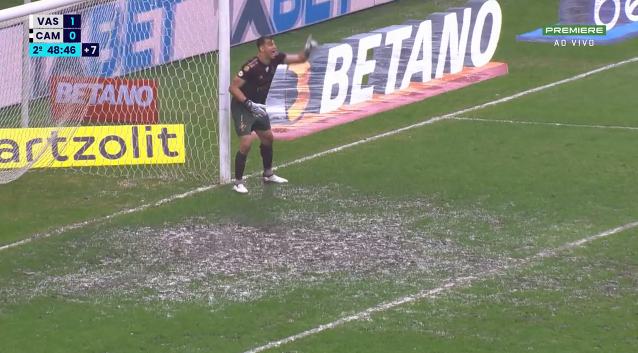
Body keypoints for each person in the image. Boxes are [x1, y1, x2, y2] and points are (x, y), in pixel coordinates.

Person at [228, 35, 318, 194]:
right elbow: (233, 88)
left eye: (274, 43)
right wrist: (248, 104)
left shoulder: (277, 59)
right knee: (246, 143)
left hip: (259, 107)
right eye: (270, 44)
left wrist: (309, 49)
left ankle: (268, 174)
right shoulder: (251, 67)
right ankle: (238, 182)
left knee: (268, 138)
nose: (274, 47)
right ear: (262, 49)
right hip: (242, 107)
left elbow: (300, 58)